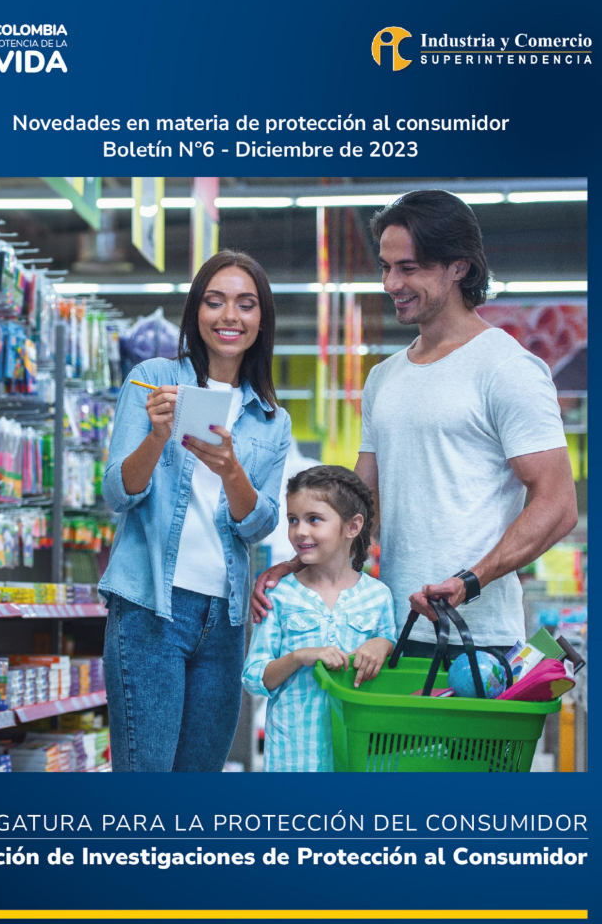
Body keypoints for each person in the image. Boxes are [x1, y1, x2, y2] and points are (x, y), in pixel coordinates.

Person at [252, 190, 577, 658]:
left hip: (476, 641)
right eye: (386, 267)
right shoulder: (384, 378)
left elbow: (559, 504)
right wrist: (300, 565)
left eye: (408, 268)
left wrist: (471, 580)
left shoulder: (507, 368)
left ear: (459, 266)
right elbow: (358, 508)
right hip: (390, 634)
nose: (390, 283)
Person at [100, 250, 291, 772]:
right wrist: (158, 436)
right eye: (215, 301)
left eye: (246, 305)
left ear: (261, 319)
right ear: (196, 311)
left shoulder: (272, 419)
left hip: (225, 621)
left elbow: (260, 523)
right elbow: (118, 492)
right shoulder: (153, 378)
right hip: (149, 610)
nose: (230, 316)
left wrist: (232, 470)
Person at [242, 466, 395, 771]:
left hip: (358, 757)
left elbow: (390, 658)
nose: (300, 531)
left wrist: (383, 644)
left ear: (352, 527)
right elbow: (254, 677)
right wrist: (300, 657)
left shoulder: (378, 597)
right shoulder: (280, 596)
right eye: (293, 520)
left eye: (314, 519)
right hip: (293, 758)